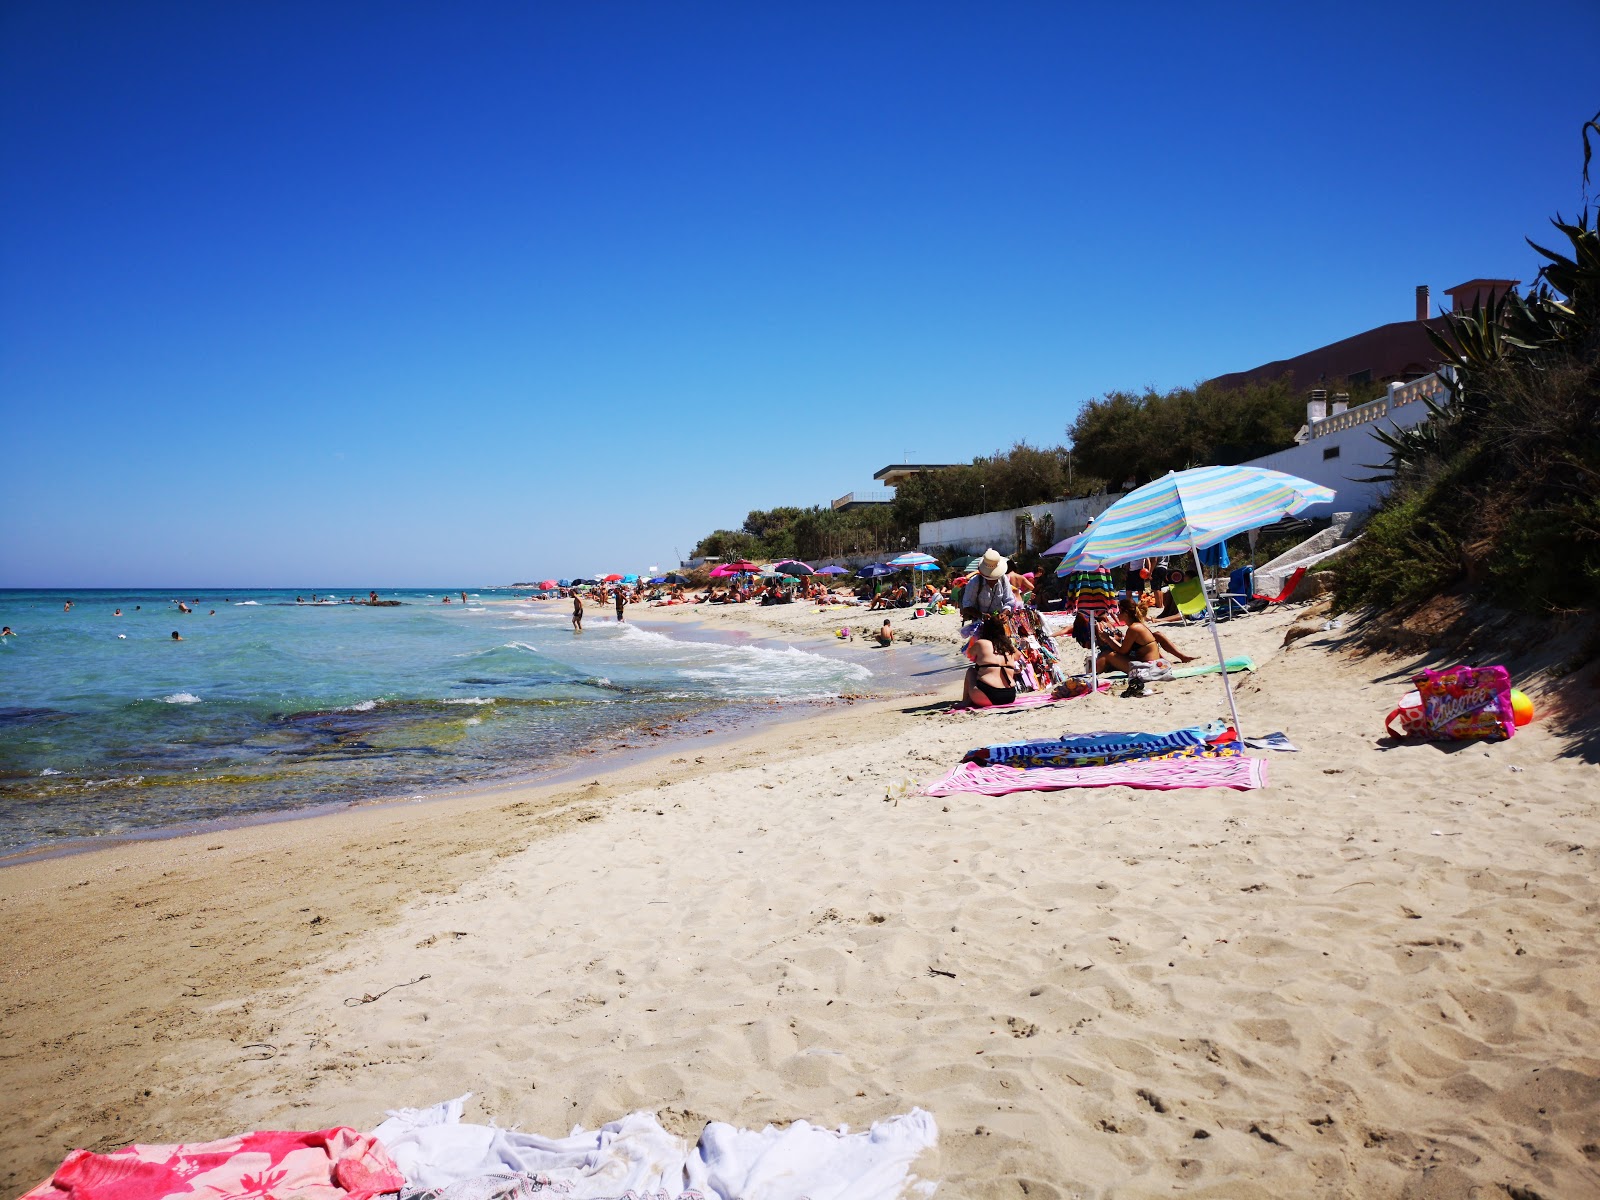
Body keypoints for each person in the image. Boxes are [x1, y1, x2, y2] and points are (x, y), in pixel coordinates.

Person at [1095, 595, 1197, 674]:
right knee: (1157, 635)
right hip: (1154, 664)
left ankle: (1091, 674)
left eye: (1119, 612)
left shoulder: (1133, 628)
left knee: (1107, 655)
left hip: (1148, 668)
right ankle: (1182, 657)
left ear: (1126, 614)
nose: (1117, 614)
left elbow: (1122, 651)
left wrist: (1108, 639)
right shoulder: (1138, 625)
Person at [963, 614, 1019, 708]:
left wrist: (975, 638)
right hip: (1009, 695)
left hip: (988, 695)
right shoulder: (1008, 646)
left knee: (971, 671)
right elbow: (1018, 656)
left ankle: (965, 701)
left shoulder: (981, 643)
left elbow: (969, 653)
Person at [960, 549, 1014, 620]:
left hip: (999, 621)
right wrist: (981, 615)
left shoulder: (1003, 579)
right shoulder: (974, 582)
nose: (993, 581)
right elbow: (967, 605)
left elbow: (1009, 601)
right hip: (980, 622)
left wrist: (1004, 613)